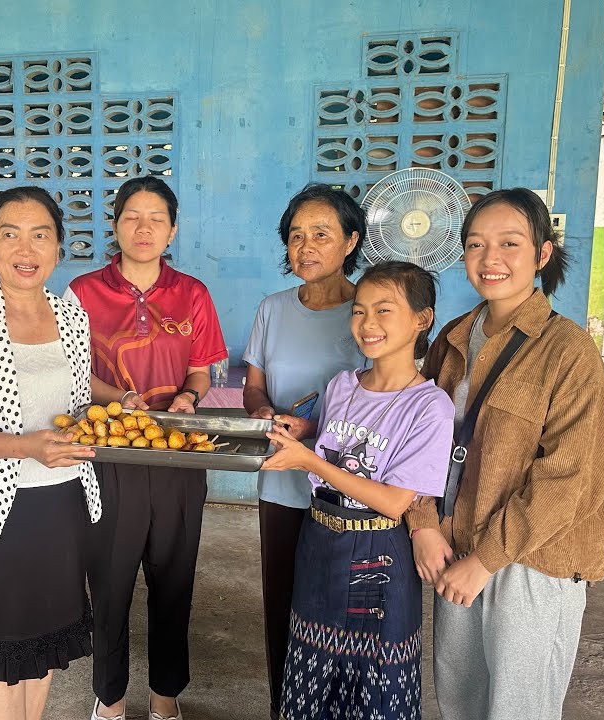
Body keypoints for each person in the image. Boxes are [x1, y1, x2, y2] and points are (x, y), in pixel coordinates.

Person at [406, 188, 604, 720]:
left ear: (542, 254)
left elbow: (567, 477)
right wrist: (422, 522)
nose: (490, 259)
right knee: (460, 699)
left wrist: (485, 561)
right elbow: (415, 441)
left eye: (509, 243)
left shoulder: (568, 350)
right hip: (457, 544)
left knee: (519, 708)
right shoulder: (451, 339)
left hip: (532, 560)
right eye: (476, 244)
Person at [0, 186, 135, 720]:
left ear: (58, 249)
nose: (26, 248)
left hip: (62, 504)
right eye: (10, 235)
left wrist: (116, 406)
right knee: (0, 647)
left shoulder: (71, 316)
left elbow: (75, 392)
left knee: (43, 642)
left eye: (40, 234)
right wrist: (28, 448)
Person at [64, 176, 228, 720]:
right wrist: (120, 399)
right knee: (108, 584)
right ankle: (109, 700)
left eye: (156, 218)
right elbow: (71, 374)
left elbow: (201, 370)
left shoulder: (193, 293)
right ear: (115, 224)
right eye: (132, 216)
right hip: (109, 457)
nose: (144, 227)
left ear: (172, 228)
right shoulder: (84, 292)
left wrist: (187, 396)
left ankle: (165, 699)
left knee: (174, 581)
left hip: (179, 457)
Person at [263, 261, 454, 720]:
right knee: (313, 662)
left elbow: (393, 500)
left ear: (421, 319)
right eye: (360, 311)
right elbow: (344, 437)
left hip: (378, 553)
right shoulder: (343, 384)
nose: (368, 324)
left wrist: (310, 461)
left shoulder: (429, 406)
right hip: (320, 542)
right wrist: (307, 428)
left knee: (372, 681)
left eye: (384, 310)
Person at [240, 183, 367, 720]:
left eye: (322, 233)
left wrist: (313, 425)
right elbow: (254, 387)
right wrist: (264, 412)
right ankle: (281, 707)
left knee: (340, 611)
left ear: (350, 241)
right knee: (283, 607)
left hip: (349, 493)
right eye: (296, 236)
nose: (307, 246)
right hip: (282, 484)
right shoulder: (272, 309)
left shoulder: (369, 312)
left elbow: (384, 399)